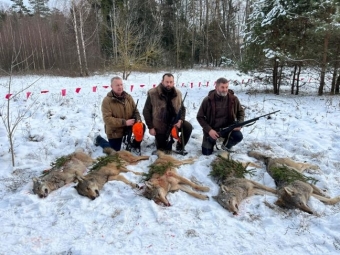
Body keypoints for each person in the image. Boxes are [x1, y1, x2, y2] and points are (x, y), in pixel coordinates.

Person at [143, 73, 192, 154]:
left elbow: (182, 109)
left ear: (173, 82)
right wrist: (151, 127)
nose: (168, 84)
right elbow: (146, 111)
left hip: (175, 123)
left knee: (188, 127)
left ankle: (180, 146)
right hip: (160, 126)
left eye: (171, 82)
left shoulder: (178, 94)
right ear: (162, 82)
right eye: (167, 82)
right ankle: (159, 140)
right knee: (163, 150)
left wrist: (181, 120)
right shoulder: (153, 93)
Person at [94, 76, 144, 154]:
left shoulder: (128, 97)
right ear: (111, 86)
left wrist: (138, 119)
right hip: (115, 131)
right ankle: (98, 139)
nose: (120, 87)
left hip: (128, 127)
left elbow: (136, 111)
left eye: (121, 84)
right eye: (117, 85)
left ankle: (135, 144)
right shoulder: (107, 101)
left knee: (141, 126)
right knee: (114, 151)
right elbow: (107, 119)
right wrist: (125, 122)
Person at [196, 77, 245, 155]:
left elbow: (241, 112)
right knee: (206, 153)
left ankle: (226, 145)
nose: (225, 90)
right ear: (216, 87)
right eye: (222, 87)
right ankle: (211, 142)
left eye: (226, 87)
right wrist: (209, 130)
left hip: (228, 129)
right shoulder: (208, 100)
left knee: (238, 136)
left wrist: (240, 123)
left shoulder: (233, 99)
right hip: (212, 130)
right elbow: (200, 117)